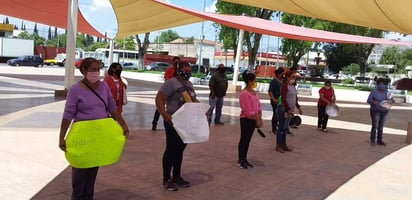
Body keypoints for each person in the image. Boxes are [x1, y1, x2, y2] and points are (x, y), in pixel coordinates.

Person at [58, 57, 129, 199]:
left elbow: (112, 107)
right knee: (80, 168)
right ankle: (78, 196)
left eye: (98, 69)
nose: (96, 72)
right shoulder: (75, 90)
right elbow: (68, 114)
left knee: (93, 166)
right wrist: (62, 137)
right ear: (84, 71)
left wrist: (123, 123)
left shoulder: (103, 87)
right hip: (83, 134)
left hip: (99, 133)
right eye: (92, 69)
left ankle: (89, 196)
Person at [155, 61, 198, 191]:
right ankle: (166, 178)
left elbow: (193, 100)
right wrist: (164, 113)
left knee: (180, 150)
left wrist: (202, 110)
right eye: (186, 70)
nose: (188, 73)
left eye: (190, 71)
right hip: (173, 121)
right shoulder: (171, 83)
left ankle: (177, 176)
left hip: (186, 121)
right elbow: (159, 98)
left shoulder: (188, 84)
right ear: (179, 70)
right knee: (171, 149)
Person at [237, 72, 262, 169]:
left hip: (253, 119)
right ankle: (240, 159)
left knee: (248, 140)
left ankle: (244, 158)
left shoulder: (254, 93)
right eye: (254, 80)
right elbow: (246, 108)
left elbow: (258, 105)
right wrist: (255, 117)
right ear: (250, 81)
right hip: (246, 119)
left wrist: (259, 115)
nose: (255, 82)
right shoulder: (244, 93)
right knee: (244, 139)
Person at [276, 71, 302, 153]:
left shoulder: (293, 86)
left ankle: (284, 144)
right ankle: (278, 145)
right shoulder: (284, 86)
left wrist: (298, 107)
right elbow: (283, 99)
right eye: (292, 77)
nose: (293, 79)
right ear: (287, 77)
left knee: (285, 128)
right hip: (283, 109)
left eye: (294, 77)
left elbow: (295, 98)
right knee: (281, 128)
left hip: (290, 110)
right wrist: (288, 109)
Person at [152, 56, 180, 130]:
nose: (177, 64)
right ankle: (154, 123)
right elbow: (167, 80)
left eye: (178, 62)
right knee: (159, 108)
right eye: (175, 62)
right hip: (169, 91)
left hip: (177, 93)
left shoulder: (180, 71)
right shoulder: (169, 70)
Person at [367, 78, 395, 146]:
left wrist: (391, 102)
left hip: (384, 111)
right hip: (375, 111)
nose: (381, 85)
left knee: (381, 126)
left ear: (385, 85)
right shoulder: (374, 92)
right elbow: (368, 100)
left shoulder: (387, 92)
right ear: (377, 85)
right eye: (380, 84)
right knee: (375, 125)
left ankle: (380, 140)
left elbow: (393, 101)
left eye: (383, 84)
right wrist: (374, 102)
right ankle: (373, 140)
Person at [268, 67, 284, 134]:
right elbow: (270, 91)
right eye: (282, 74)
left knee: (279, 114)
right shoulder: (274, 81)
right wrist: (273, 99)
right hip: (275, 100)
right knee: (275, 113)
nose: (283, 75)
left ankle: (277, 126)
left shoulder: (282, 81)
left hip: (281, 100)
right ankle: (273, 128)